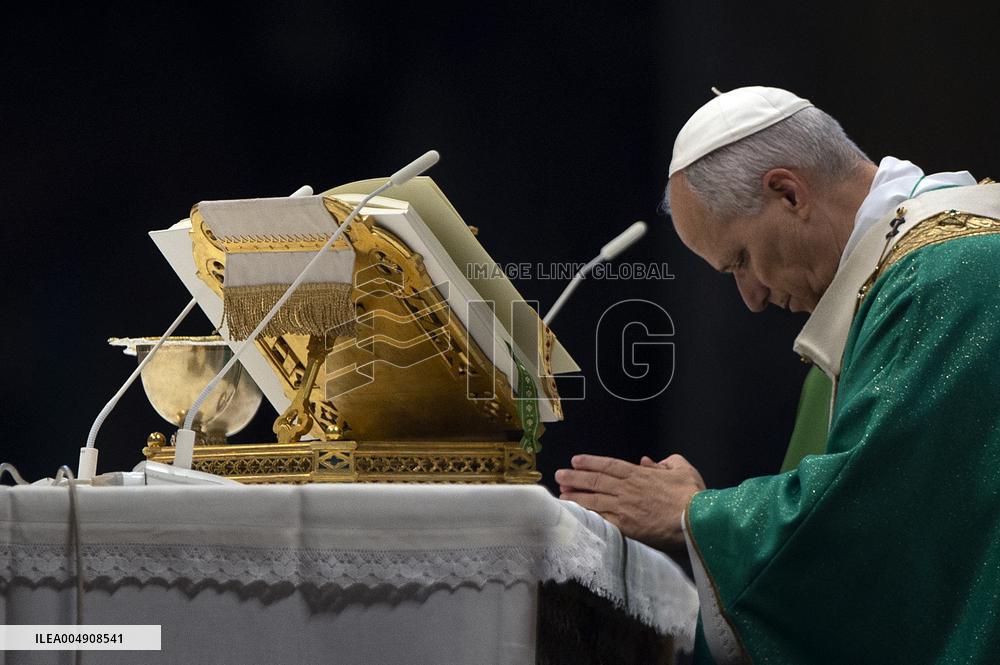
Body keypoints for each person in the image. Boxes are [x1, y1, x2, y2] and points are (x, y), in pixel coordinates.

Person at [555, 86, 1000, 663]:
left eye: (740, 260)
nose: (752, 298)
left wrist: (694, 515)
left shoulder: (942, 276)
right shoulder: (904, 279)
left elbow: (876, 518)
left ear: (788, 192)